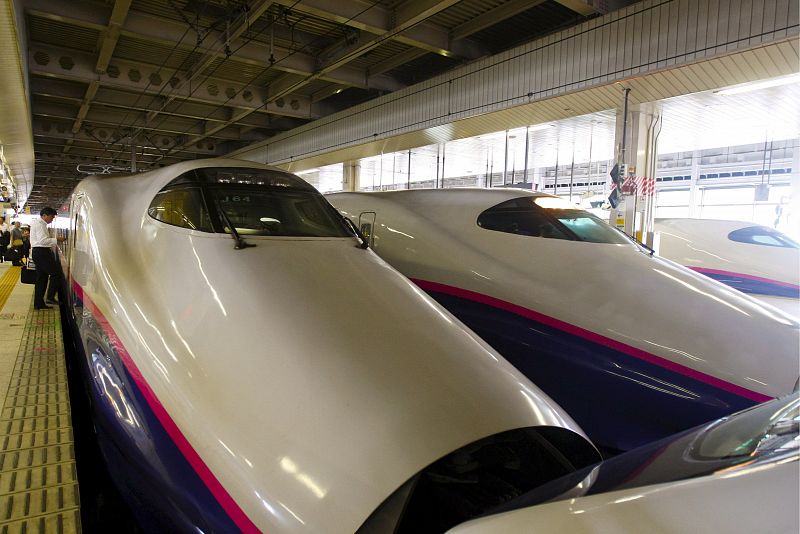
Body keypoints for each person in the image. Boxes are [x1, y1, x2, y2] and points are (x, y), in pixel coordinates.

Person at [30, 207, 66, 310]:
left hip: (39, 252)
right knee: (56, 273)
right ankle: (50, 298)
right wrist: (57, 239)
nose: (52, 219)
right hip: (41, 252)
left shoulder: (39, 224)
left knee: (42, 279)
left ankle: (38, 303)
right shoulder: (40, 225)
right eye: (51, 217)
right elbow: (43, 241)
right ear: (45, 215)